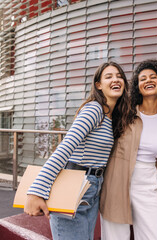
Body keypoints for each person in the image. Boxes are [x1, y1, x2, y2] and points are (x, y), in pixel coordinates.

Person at [24, 61, 131, 240]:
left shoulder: (110, 116)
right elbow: (65, 147)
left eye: (120, 76)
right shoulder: (94, 109)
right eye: (109, 76)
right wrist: (36, 190)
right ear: (99, 85)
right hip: (75, 185)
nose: (116, 79)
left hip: (92, 187)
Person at [99, 59, 157, 240]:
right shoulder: (125, 112)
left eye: (153, 77)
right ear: (137, 86)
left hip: (148, 187)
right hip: (116, 184)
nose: (148, 81)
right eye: (142, 79)